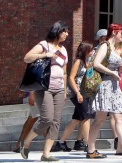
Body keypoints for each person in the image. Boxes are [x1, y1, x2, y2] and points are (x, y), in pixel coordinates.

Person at [85, 23, 122, 158]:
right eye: (121, 33)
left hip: (114, 85)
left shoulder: (113, 47)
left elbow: (112, 64)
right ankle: (91, 150)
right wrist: (112, 73)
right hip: (105, 85)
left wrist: (119, 68)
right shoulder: (105, 45)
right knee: (99, 119)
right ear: (115, 32)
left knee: (120, 116)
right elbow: (96, 64)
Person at [20, 21, 70, 162]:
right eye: (65, 31)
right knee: (47, 119)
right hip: (44, 87)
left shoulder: (64, 49)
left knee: (55, 122)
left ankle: (46, 154)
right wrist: (45, 55)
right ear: (57, 31)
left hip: (59, 89)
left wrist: (65, 90)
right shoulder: (44, 45)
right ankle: (27, 142)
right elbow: (27, 57)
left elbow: (65, 72)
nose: (67, 34)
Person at [55, 42, 94, 152]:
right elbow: (71, 78)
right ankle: (89, 145)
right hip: (77, 93)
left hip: (86, 93)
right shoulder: (78, 61)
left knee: (76, 119)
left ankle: (61, 143)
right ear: (85, 50)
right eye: (90, 50)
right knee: (87, 117)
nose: (92, 52)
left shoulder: (88, 62)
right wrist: (78, 93)